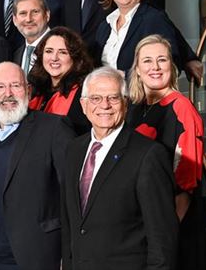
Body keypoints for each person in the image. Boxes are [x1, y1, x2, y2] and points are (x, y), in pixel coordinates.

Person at [60, 66, 178, 270]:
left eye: (113, 98)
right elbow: (71, 224)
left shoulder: (148, 155)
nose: (104, 105)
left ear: (125, 103)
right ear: (83, 104)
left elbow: (162, 239)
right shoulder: (73, 150)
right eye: (96, 98)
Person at [0, 62, 75, 269]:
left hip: (39, 259)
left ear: (27, 91)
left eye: (15, 86)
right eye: (0, 87)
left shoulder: (54, 128)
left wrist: (69, 256)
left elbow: (72, 195)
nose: (8, 94)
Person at [126, 35, 204, 269]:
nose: (155, 67)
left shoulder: (181, 108)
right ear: (137, 69)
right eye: (147, 61)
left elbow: (186, 186)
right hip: (140, 229)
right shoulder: (135, 109)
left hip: (167, 233)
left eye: (162, 60)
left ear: (172, 66)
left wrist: (163, 241)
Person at [95, 0, 182, 74]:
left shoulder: (154, 19)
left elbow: (171, 64)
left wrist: (122, 78)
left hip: (137, 91)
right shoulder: (104, 26)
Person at [28, 27, 93, 135]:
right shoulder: (36, 89)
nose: (54, 58)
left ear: (74, 57)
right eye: (49, 51)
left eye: (62, 52)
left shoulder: (84, 92)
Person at [11, 0, 51, 76]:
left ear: (47, 15)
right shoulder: (16, 54)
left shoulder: (62, 47)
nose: (29, 19)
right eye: (23, 13)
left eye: (35, 12)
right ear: (14, 20)